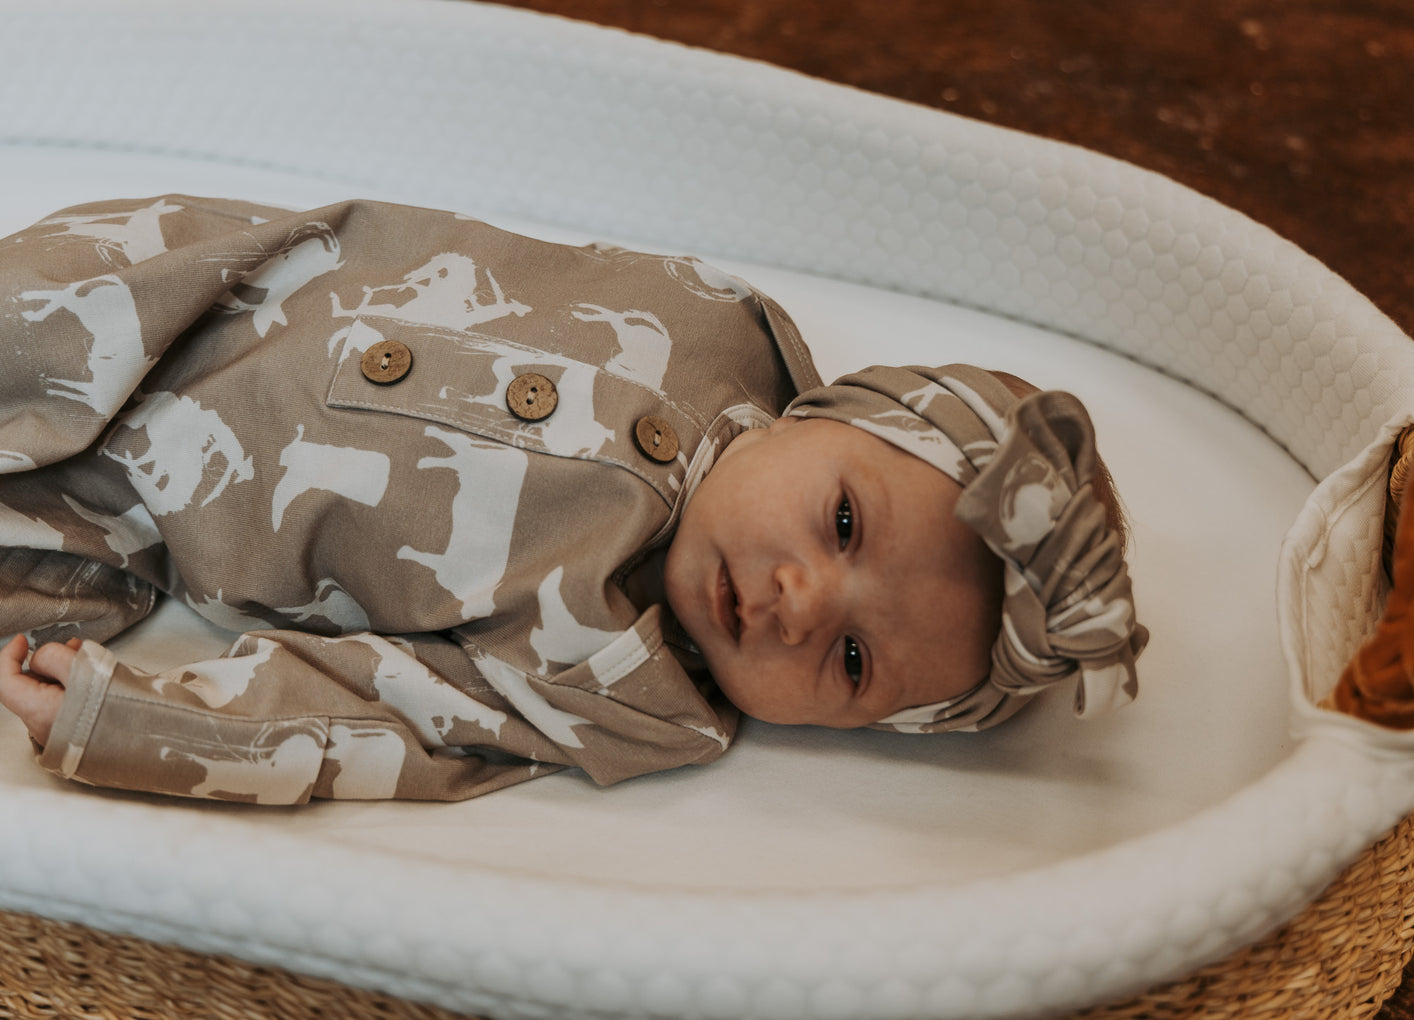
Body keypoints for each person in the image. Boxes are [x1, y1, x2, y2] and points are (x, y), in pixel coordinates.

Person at [0, 194, 1146, 804]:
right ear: (828, 412)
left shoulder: (633, 697)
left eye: (850, 664)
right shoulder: (720, 329)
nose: (800, 602)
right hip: (184, 290)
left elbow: (392, 717)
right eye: (842, 523)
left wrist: (147, 724)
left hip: (127, 524)